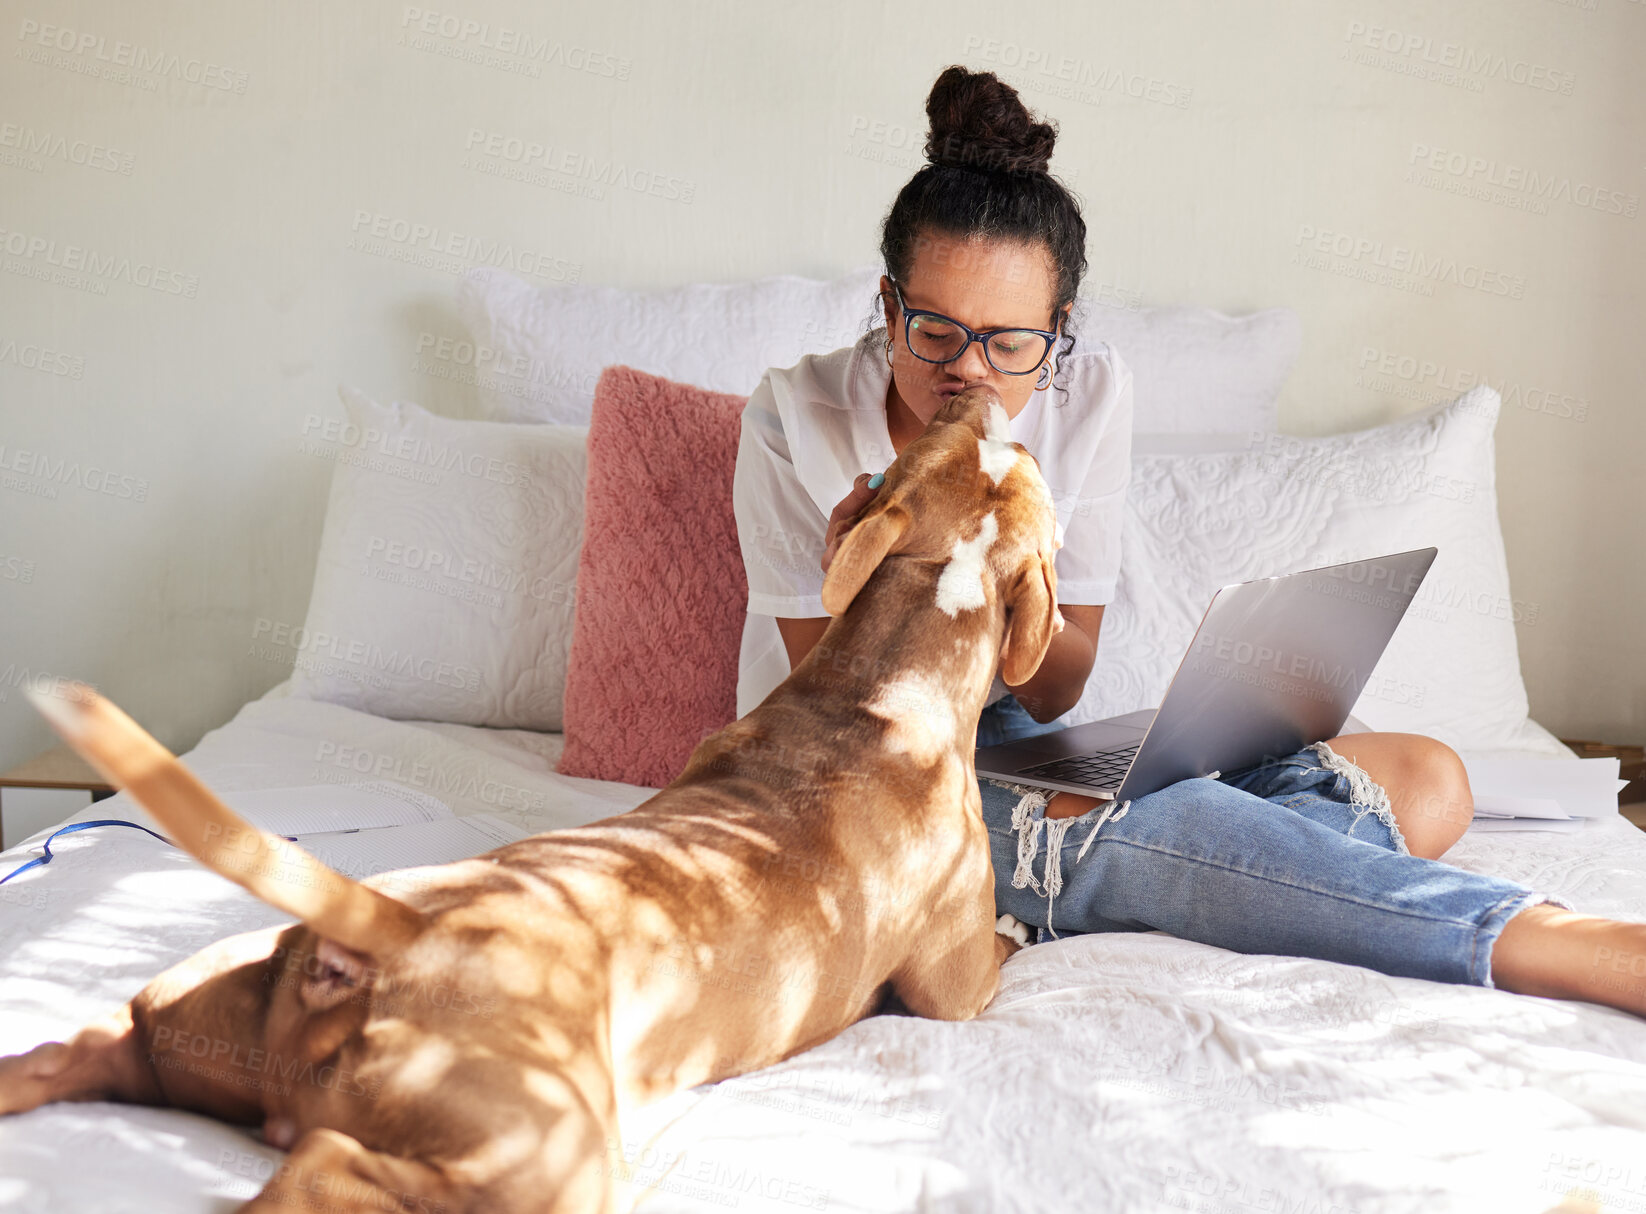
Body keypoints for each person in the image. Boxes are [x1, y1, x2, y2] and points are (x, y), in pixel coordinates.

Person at [731, 65, 1646, 1016]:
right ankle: (1534, 937)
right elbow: (836, 713)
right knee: (1100, 823)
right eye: (934, 332)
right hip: (857, 764)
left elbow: (1061, 683)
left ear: (1058, 334)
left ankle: (1093, 878)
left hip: (1014, 734)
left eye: (1010, 344)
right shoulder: (791, 421)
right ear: (888, 307)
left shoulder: (1089, 395)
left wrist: (1014, 584)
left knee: (1431, 784)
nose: (969, 373)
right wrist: (881, 580)